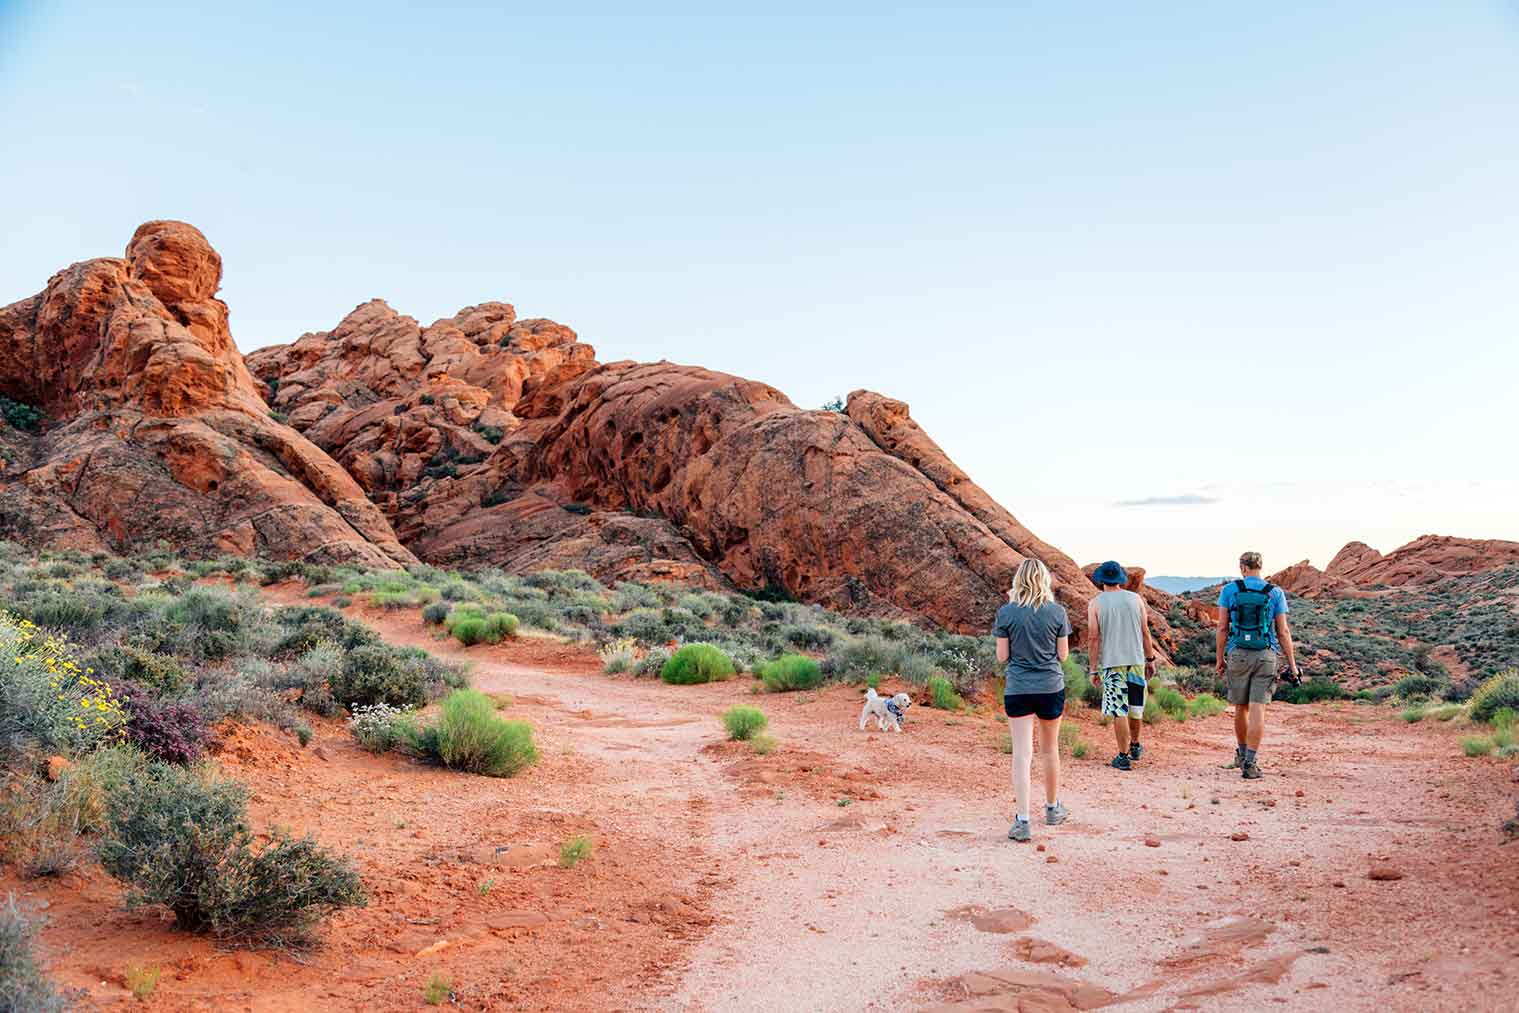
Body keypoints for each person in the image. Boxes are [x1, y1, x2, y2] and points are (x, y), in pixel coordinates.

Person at [993, 558, 1072, 843]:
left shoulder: (1007, 613)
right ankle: (1052, 809)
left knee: (1022, 754)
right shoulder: (1057, 612)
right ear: (1045, 580)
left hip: (1019, 688)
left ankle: (1023, 821)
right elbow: (1063, 656)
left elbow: (1002, 657)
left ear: (1018, 580)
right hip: (1050, 686)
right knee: (1050, 750)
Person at [1216, 551, 1300, 780]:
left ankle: (1242, 756)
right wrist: (1292, 665)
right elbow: (1283, 631)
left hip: (1238, 654)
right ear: (1260, 567)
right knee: (1257, 709)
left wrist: (1219, 659)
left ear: (1243, 567)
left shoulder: (1229, 590)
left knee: (1240, 708)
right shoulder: (1275, 592)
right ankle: (1250, 764)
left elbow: (1222, 627)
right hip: (1266, 655)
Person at [1085, 560, 1157, 771]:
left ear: (1101, 580)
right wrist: (1150, 659)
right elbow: (1145, 631)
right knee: (1136, 708)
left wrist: (1093, 668)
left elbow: (1093, 637)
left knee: (1119, 710)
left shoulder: (1096, 603)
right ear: (1119, 579)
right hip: (1135, 661)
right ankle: (1135, 745)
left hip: (1112, 664)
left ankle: (1123, 756)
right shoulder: (1136, 599)